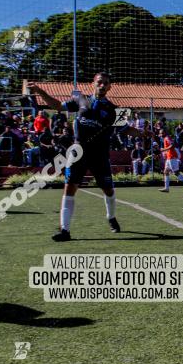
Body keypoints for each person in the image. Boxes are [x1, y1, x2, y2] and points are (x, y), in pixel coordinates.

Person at [52, 72, 149, 242]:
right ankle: (65, 231)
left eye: (105, 83)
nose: (102, 85)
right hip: (77, 153)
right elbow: (58, 106)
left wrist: (141, 133)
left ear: (110, 87)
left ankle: (111, 217)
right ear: (93, 84)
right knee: (69, 188)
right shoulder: (80, 100)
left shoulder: (114, 109)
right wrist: (39, 91)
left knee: (108, 190)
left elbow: (125, 129)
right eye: (99, 82)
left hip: (100, 155)